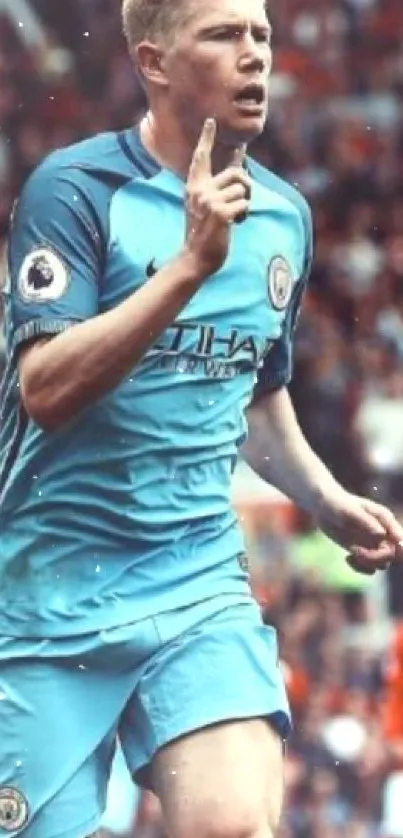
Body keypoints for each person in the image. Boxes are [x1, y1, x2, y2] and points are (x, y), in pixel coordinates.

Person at [0, 0, 402, 837]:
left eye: (260, 33)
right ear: (154, 62)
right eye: (224, 34)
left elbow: (252, 394)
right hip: (47, 594)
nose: (254, 54)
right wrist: (186, 269)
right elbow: (45, 387)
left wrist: (326, 502)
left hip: (194, 583)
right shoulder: (74, 192)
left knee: (233, 828)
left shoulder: (284, 216)